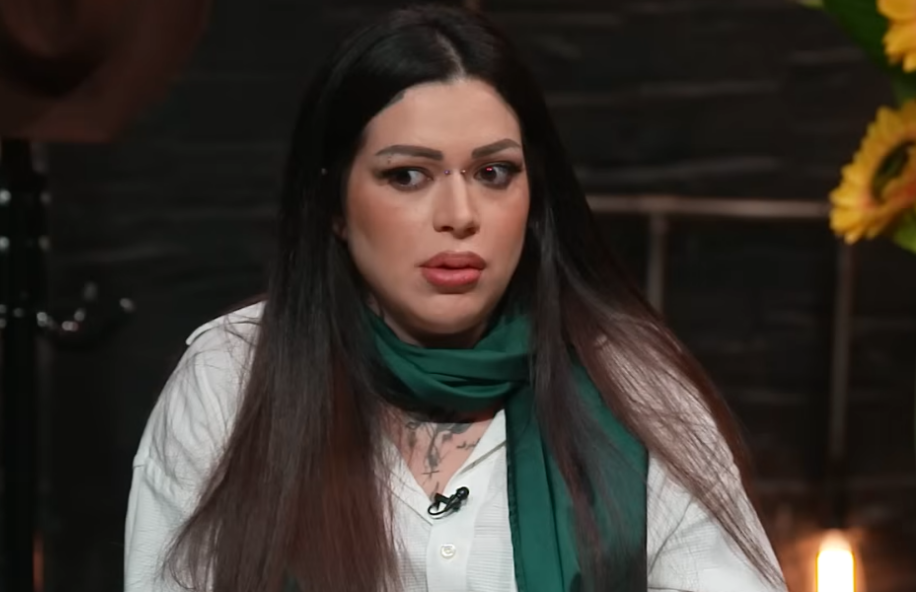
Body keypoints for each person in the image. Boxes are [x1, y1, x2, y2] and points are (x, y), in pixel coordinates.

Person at [123, 5, 787, 592]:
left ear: (533, 196)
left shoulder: (633, 386)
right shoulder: (230, 380)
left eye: (493, 173)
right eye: (408, 175)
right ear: (334, 204)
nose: (460, 215)